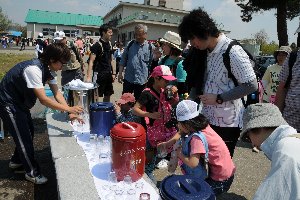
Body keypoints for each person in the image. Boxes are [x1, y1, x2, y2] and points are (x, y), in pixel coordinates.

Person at [178, 8, 257, 157]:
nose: (192, 43)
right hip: (206, 117)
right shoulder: (204, 51)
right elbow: (198, 80)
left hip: (228, 122)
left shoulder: (232, 51)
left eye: (192, 38)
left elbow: (251, 85)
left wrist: (219, 97)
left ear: (204, 31)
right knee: (204, 160)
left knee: (220, 167)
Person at [0, 43, 83, 184]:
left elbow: (57, 93)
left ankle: (16, 161)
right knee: (23, 137)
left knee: (28, 131)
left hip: (20, 102)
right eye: (61, 63)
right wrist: (69, 109)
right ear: (52, 60)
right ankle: (32, 173)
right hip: (8, 102)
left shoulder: (48, 70)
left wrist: (69, 113)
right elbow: (44, 100)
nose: (62, 67)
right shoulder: (34, 69)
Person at [158, 100, 235, 195]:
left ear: (187, 124)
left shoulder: (196, 138)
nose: (178, 126)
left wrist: (180, 154)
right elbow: (181, 132)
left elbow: (193, 163)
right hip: (226, 170)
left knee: (200, 195)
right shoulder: (201, 126)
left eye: (179, 124)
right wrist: (168, 143)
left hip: (220, 179)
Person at [240, 103, 300, 199]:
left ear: (258, 128)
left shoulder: (285, 151)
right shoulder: (294, 141)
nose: (251, 143)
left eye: (248, 137)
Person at [133, 65, 179, 183]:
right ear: (157, 78)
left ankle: (153, 165)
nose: (168, 82)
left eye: (169, 80)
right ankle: (146, 173)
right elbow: (135, 109)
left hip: (163, 129)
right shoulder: (147, 93)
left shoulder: (165, 91)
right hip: (150, 130)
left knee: (159, 149)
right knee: (149, 152)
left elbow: (173, 103)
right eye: (166, 80)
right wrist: (150, 114)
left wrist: (175, 95)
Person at [117, 24, 154, 100]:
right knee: (125, 101)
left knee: (139, 103)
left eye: (139, 35)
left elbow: (152, 64)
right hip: (128, 79)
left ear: (145, 34)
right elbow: (123, 60)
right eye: (135, 34)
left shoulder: (150, 47)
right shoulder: (130, 44)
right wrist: (120, 73)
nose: (137, 37)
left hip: (142, 81)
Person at [152, 31, 188, 98]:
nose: (162, 47)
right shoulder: (164, 59)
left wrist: (172, 88)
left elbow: (183, 87)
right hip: (163, 98)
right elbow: (154, 74)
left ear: (172, 47)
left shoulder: (180, 63)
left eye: (164, 44)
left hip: (174, 101)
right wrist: (156, 59)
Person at [87, 24, 114, 102]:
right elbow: (91, 61)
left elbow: (110, 60)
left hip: (108, 73)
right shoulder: (97, 45)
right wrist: (88, 77)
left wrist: (113, 73)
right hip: (99, 74)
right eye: (109, 32)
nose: (111, 34)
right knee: (96, 94)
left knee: (108, 94)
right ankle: (95, 111)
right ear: (103, 33)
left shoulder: (109, 44)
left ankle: (105, 110)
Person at [275, 49, 300, 132]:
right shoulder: (294, 57)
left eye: (283, 54)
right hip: (290, 123)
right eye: (279, 54)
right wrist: (276, 119)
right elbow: (282, 88)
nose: (281, 57)